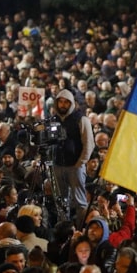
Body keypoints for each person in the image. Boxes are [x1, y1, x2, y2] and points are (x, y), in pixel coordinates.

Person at [51, 89, 95, 225]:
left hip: (75, 166)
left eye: (66, 102)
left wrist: (80, 163)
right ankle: (63, 228)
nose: (63, 105)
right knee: (61, 200)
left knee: (80, 201)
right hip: (58, 165)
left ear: (71, 104)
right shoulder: (54, 119)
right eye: (60, 102)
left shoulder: (81, 119)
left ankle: (80, 227)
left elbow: (89, 143)